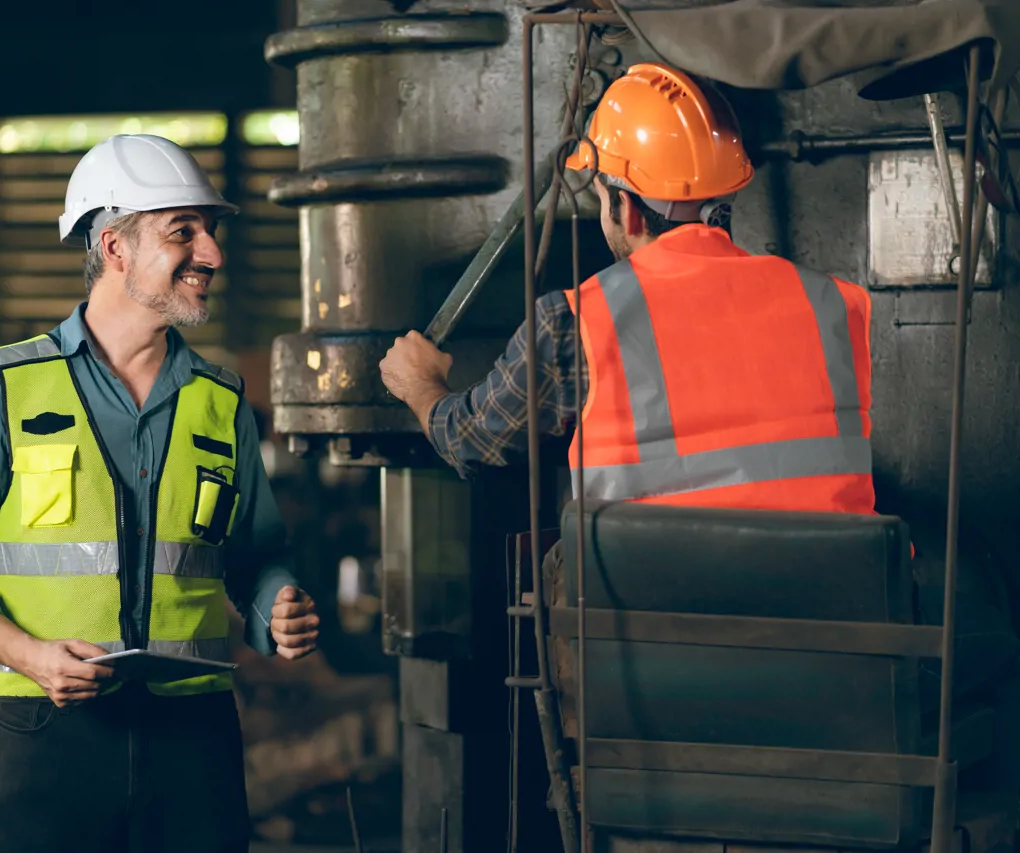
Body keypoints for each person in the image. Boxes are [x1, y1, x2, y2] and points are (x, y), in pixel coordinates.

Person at [379, 63, 1018, 739]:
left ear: (623, 205)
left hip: (646, 688)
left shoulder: (577, 319)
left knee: (564, 562)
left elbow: (473, 442)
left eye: (599, 192)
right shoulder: (834, 304)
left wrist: (421, 383)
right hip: (832, 677)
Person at [0, 133, 319, 853]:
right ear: (115, 246)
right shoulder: (5, 389)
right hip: (45, 739)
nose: (212, 255)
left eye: (211, 231)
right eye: (182, 231)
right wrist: (29, 654)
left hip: (194, 738)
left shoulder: (221, 403)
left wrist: (276, 606)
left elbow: (257, 555)